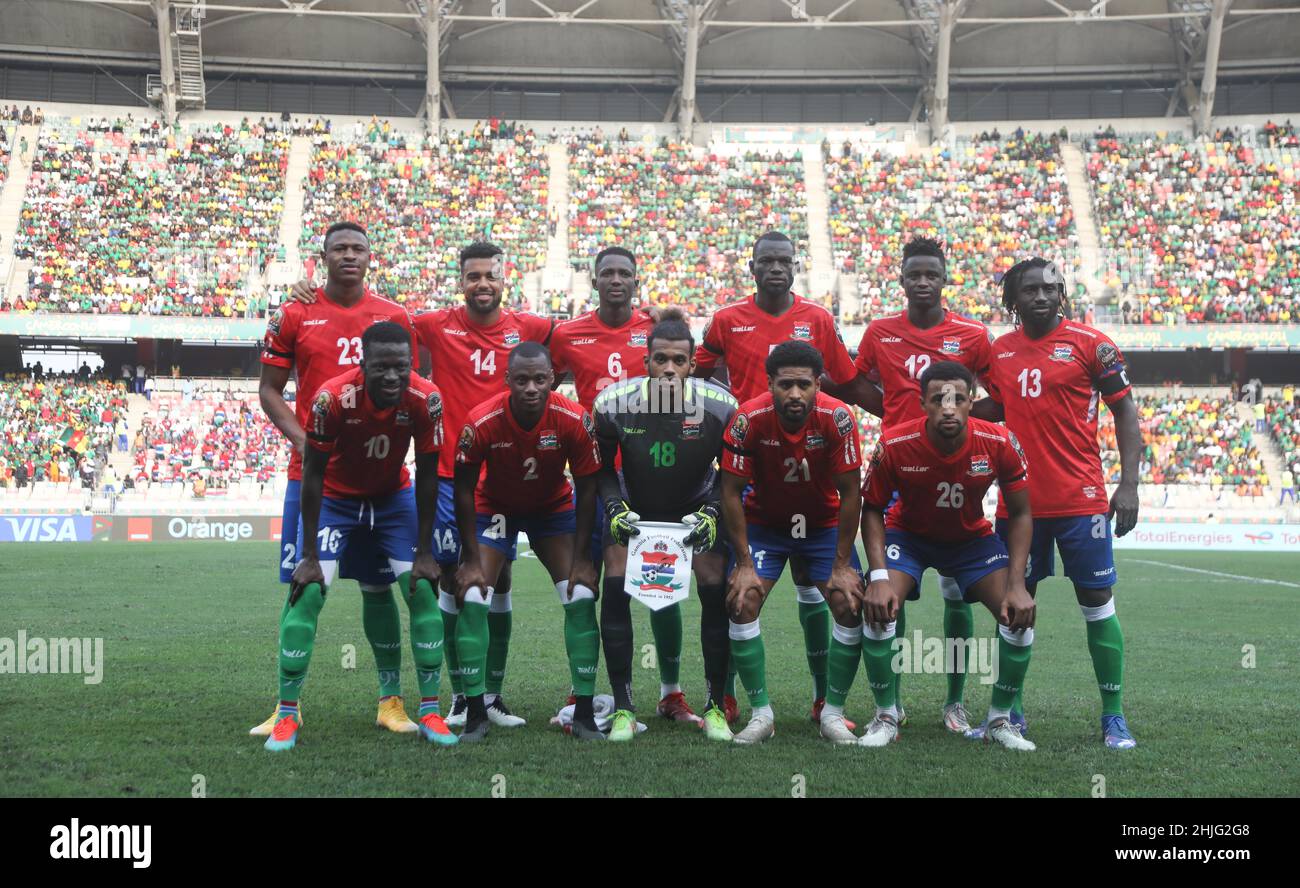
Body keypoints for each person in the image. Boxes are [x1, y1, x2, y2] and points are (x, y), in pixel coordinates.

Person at [292, 242, 554, 728]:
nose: (481, 284)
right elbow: (372, 324)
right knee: (453, 582)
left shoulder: (531, 327)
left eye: (490, 276)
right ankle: (460, 697)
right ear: (461, 280)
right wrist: (312, 294)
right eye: (472, 275)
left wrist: (648, 314)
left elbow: (577, 340)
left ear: (504, 279)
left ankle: (490, 695)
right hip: (455, 477)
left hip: (508, 477)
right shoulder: (432, 324)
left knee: (500, 582)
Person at [254, 221, 421, 738]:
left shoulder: (394, 317)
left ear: (371, 257)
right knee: (306, 588)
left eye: (358, 248)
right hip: (315, 479)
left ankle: (390, 702)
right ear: (322, 257)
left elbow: (414, 392)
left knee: (379, 588)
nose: (349, 255)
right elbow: (269, 390)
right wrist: (305, 441)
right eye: (339, 249)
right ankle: (287, 706)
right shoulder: (294, 313)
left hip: (380, 483)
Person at [827, 236, 994, 735]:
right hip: (900, 467)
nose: (923, 282)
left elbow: (1000, 398)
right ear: (901, 280)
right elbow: (853, 384)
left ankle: (955, 702)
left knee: (957, 592)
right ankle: (891, 704)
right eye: (914, 275)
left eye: (932, 275)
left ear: (944, 280)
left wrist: (959, 423)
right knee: (886, 589)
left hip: (955, 470)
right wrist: (898, 418)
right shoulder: (880, 332)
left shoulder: (971, 334)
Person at [692, 230, 859, 724]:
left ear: (795, 265)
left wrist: (904, 416)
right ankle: (722, 695)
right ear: (752, 267)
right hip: (749, 469)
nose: (775, 269)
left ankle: (823, 700)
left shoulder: (818, 320)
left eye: (784, 261)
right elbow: (696, 376)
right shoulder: (726, 320)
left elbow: (847, 383)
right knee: (724, 590)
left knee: (819, 590)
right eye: (766, 261)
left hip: (810, 483)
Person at [974, 257, 1141, 750]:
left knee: (1096, 602)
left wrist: (1128, 485)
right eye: (1031, 289)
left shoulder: (1093, 345)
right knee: (1013, 609)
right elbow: (997, 410)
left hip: (1081, 501)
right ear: (1013, 299)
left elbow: (1125, 413)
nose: (1043, 295)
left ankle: (1113, 716)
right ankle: (1009, 715)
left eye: (1053, 287)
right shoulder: (999, 353)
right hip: (1018, 505)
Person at [264, 321, 450, 751]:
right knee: (308, 592)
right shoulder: (332, 398)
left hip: (392, 499)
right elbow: (311, 474)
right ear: (362, 364)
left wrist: (425, 550)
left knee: (421, 589)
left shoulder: (427, 398)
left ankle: (428, 709)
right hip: (336, 499)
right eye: (381, 367)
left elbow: (427, 476)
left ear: (411, 365)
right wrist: (308, 554)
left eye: (400, 367)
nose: (392, 376)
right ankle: (287, 713)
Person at [550, 246, 698, 724]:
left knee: (663, 585)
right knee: (591, 586)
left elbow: (694, 372)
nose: (616, 280)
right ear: (593, 281)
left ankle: (671, 692)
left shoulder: (653, 331)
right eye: (607, 273)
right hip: (596, 477)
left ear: (637, 281)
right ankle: (593, 692)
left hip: (652, 476)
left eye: (625, 274)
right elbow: (540, 383)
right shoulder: (567, 333)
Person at [859, 361, 1037, 750]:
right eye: (939, 399)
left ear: (972, 401)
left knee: (1019, 619)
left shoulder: (1000, 441)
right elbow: (870, 507)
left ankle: (999, 720)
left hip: (970, 540)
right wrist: (877, 577)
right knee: (876, 611)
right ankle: (886, 714)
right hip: (908, 537)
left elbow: (1022, 512)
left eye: (958, 398)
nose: (949, 407)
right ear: (923, 403)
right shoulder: (894, 443)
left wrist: (1018, 585)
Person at [592, 309, 739, 742]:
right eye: (661, 360)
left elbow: (731, 474)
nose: (670, 368)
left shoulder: (720, 406)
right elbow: (599, 469)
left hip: (695, 506)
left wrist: (713, 511)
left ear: (693, 365)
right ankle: (623, 707)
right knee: (615, 588)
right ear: (647, 362)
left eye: (679, 360)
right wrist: (615, 506)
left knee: (715, 591)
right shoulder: (613, 403)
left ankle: (715, 705)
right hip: (636, 507)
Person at [452, 343, 603, 742]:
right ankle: (474, 713)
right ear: (508, 381)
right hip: (495, 508)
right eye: (522, 380)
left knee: (582, 595)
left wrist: (584, 557)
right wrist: (469, 559)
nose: (532, 387)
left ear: (554, 379)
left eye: (540, 379)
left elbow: (588, 490)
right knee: (472, 596)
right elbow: (463, 490)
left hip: (551, 510)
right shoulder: (481, 421)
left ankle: (584, 714)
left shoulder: (574, 419)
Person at [719, 341, 864, 744]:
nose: (795, 394)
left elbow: (851, 493)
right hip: (766, 525)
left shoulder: (838, 417)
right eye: (786, 385)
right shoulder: (748, 418)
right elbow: (730, 491)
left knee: (849, 602)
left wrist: (841, 565)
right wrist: (745, 562)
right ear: (770, 384)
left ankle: (832, 712)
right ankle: (761, 713)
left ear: (819, 383)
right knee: (742, 598)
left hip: (821, 526)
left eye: (804, 384)